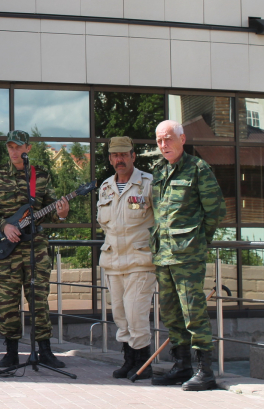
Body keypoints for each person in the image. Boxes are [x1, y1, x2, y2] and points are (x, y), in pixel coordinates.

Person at [0, 130, 70, 369]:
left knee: (39, 300)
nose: (14, 151)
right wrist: (3, 226)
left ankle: (45, 351)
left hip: (35, 247)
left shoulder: (41, 175)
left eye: (18, 147)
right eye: (10, 147)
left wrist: (61, 214)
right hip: (7, 247)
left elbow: (50, 208)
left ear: (28, 148)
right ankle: (11, 352)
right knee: (7, 302)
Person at [151, 120, 226, 391]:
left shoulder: (198, 169)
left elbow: (216, 211)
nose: (163, 145)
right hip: (163, 255)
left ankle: (205, 371)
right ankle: (182, 366)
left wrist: (198, 242)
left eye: (168, 139)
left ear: (182, 139)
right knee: (170, 313)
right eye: (159, 141)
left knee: (193, 311)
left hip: (188, 256)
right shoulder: (159, 171)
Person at [97, 136, 156, 380]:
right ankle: (128, 360)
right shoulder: (106, 187)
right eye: (115, 155)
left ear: (133, 156)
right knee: (120, 314)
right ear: (110, 159)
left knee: (135, 313)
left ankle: (143, 364)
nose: (119, 159)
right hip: (113, 262)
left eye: (124, 154)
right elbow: (105, 225)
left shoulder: (148, 183)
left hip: (140, 261)